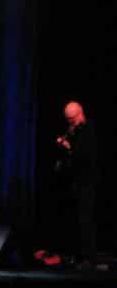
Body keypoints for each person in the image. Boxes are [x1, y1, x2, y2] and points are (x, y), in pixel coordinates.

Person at [55, 101, 98, 267]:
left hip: (86, 182)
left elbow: (85, 156)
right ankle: (76, 255)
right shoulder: (75, 130)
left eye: (71, 119)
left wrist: (68, 147)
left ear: (79, 114)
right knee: (74, 220)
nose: (69, 122)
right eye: (68, 119)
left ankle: (89, 257)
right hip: (74, 182)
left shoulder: (88, 130)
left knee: (85, 219)